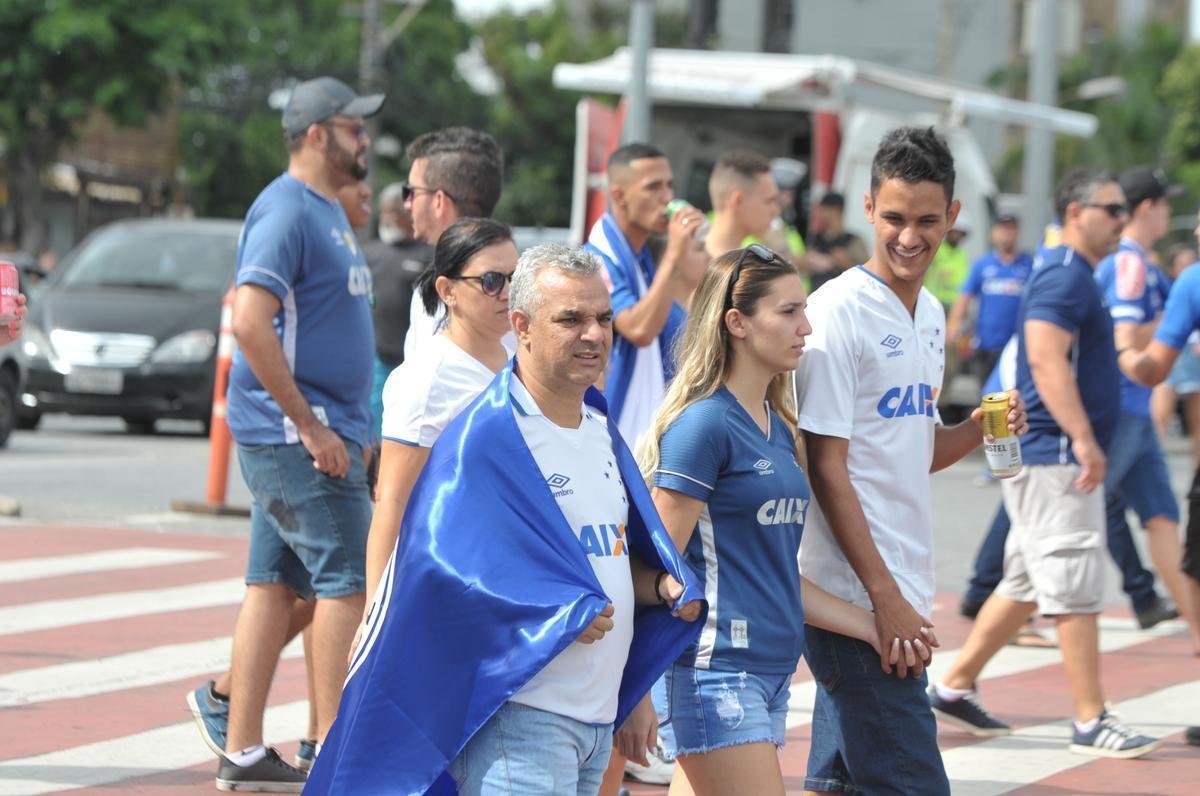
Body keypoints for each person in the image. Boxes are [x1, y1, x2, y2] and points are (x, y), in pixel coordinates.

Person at [306, 244, 705, 796]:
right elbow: (441, 572)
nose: (593, 333)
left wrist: (659, 589)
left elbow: (609, 558)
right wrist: (554, 609)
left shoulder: (600, 429)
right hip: (521, 717)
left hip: (595, 715)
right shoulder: (487, 437)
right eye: (571, 319)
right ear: (522, 326)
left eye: (603, 318)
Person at [794, 126, 1027, 794]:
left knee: (839, 784)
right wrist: (884, 599)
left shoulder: (929, 313)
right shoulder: (836, 314)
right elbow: (825, 466)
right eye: (894, 217)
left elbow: (914, 447)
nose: (909, 236)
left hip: (897, 588)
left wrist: (982, 426)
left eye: (927, 220)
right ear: (869, 207)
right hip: (855, 599)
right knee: (913, 782)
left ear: (953, 218)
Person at [636, 245, 888, 795]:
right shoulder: (703, 428)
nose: (807, 325)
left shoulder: (779, 428)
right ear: (737, 323)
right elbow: (654, 570)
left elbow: (776, 578)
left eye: (803, 309)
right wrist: (631, 693)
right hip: (715, 671)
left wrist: (872, 623)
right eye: (789, 311)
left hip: (771, 675)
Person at [931, 168, 1160, 760]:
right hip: (1054, 453)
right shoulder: (1064, 276)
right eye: (1112, 209)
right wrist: (1084, 438)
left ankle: (953, 686)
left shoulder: (1073, 274)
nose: (1122, 218)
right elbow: (1044, 356)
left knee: (1030, 579)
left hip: (1046, 453)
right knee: (1073, 579)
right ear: (1077, 211)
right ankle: (1090, 718)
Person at [209, 76, 382, 791]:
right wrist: (311, 425)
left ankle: (244, 753)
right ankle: (331, 751)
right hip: (299, 438)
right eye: (353, 128)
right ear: (317, 134)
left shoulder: (326, 210)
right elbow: (250, 321)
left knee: (274, 585)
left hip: (310, 434)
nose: (364, 141)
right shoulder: (285, 210)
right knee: (348, 585)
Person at [358, 217, 516, 642]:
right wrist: (378, 613)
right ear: (448, 291)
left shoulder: (518, 355)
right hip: (453, 582)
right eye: (490, 280)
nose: (507, 292)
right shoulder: (427, 380)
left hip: (508, 576)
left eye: (515, 279)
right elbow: (391, 499)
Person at [1094, 165, 1195, 638]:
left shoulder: (1138, 262)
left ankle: (1180, 618)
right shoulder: (1131, 263)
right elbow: (1127, 338)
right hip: (1122, 408)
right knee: (1085, 510)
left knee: (1161, 518)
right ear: (1149, 208)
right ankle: (995, 590)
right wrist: (1175, 322)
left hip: (1133, 408)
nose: (1171, 216)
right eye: (1166, 205)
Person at [584, 143, 706, 447]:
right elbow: (639, 329)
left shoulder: (640, 257)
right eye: (653, 187)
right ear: (619, 196)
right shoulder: (597, 258)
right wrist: (675, 255)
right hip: (615, 434)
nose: (667, 198)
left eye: (669, 185)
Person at [401, 127, 504, 360]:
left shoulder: (454, 285)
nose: (407, 203)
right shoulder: (519, 282)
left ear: (439, 201)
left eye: (411, 192)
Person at [362, 182, 433, 438]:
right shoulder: (369, 252)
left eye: (395, 211)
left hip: (414, 364)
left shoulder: (428, 255)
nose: (388, 218)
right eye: (385, 211)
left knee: (404, 433)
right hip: (377, 360)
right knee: (374, 431)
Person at [946, 214, 1033, 382]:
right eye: (1003, 228)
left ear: (1018, 233)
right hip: (986, 344)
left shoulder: (1029, 264)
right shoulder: (983, 265)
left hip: (1017, 346)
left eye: (1011, 228)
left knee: (1013, 397)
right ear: (993, 233)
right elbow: (965, 297)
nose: (1007, 233)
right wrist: (954, 325)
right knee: (988, 397)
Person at [1152, 236, 1200, 464]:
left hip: (1187, 354)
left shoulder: (1191, 281)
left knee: (1197, 420)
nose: (1197, 231)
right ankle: (1151, 461)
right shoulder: (1174, 286)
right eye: (1183, 264)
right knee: (1159, 415)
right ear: (1172, 269)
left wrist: (1126, 354)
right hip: (1175, 354)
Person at [703, 150, 782, 258]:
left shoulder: (750, 261)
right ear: (738, 201)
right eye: (768, 201)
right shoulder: (691, 267)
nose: (776, 211)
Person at [803, 192, 868, 292]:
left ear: (836, 210)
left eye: (824, 209)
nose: (820, 214)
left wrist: (841, 263)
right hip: (814, 298)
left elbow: (867, 275)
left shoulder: (853, 241)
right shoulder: (816, 238)